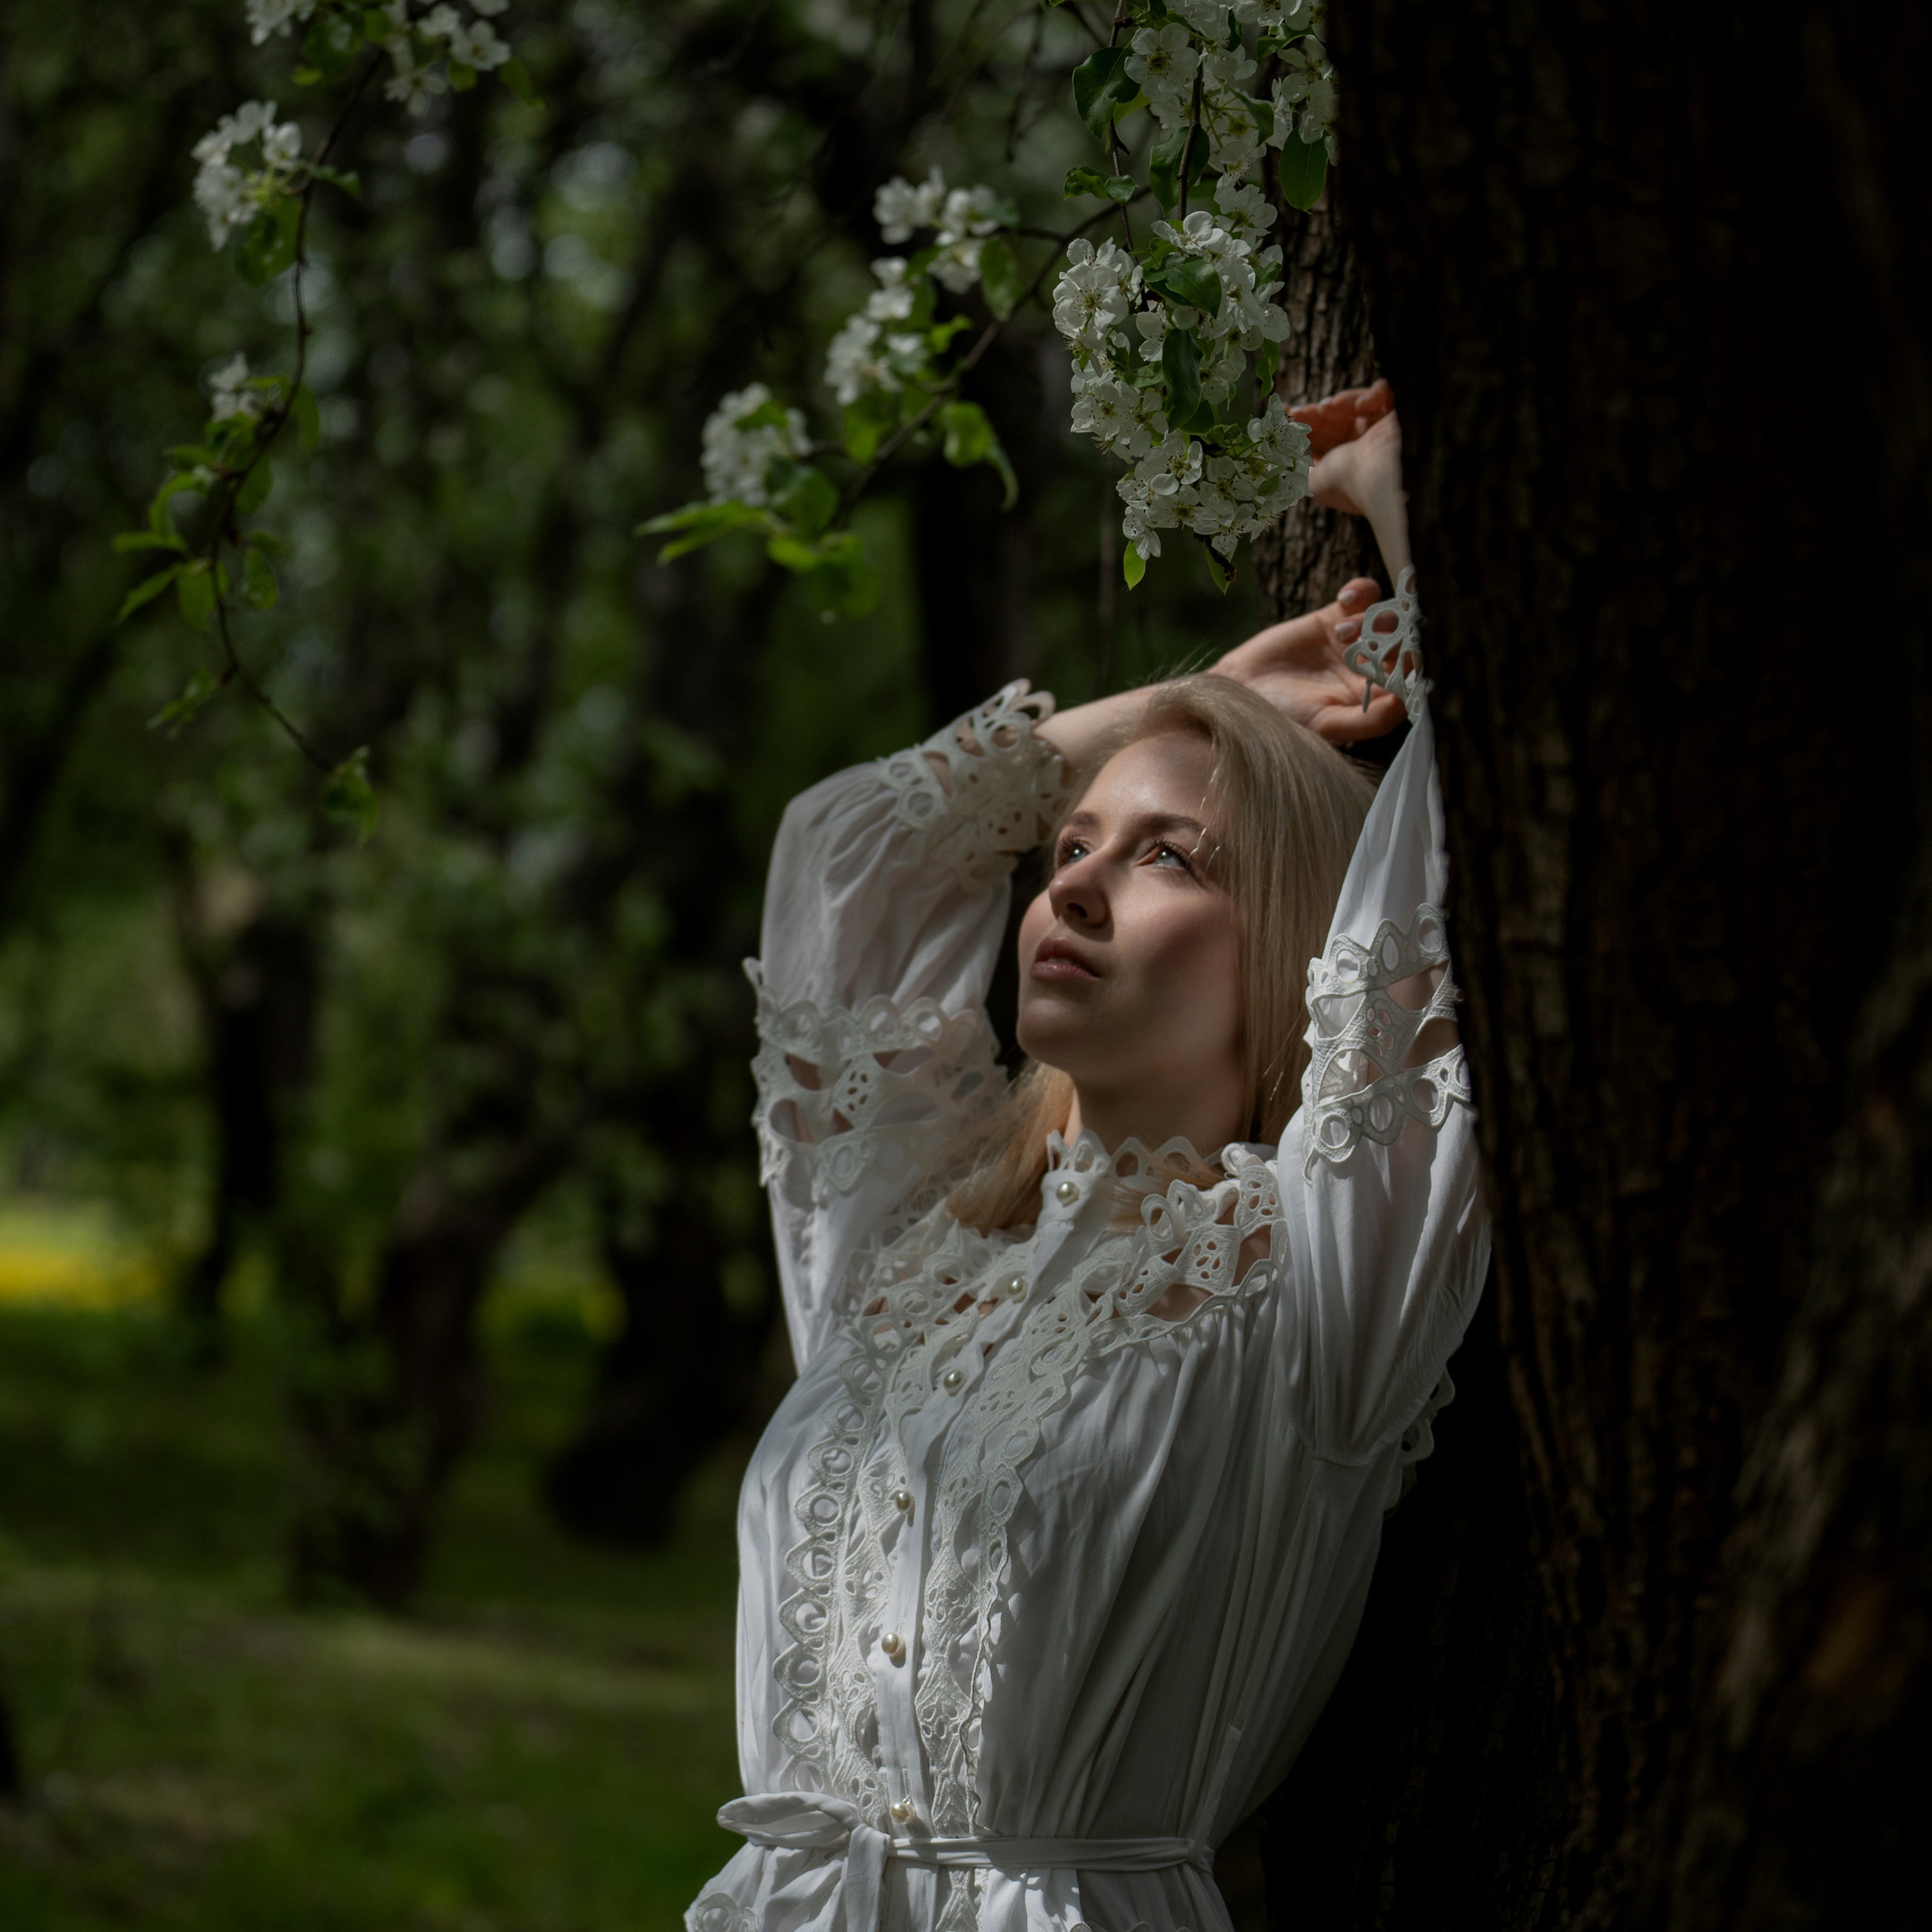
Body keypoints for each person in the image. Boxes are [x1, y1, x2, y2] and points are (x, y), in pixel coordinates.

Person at [686, 384, 1489, 1932]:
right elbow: (841, 851)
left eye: (1169, 855)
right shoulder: (908, 1246)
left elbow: (1441, 902)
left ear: (1295, 944)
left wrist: (1416, 514)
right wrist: (1187, 703)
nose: (1075, 888)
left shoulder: (1310, 1270)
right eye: (1068, 847)